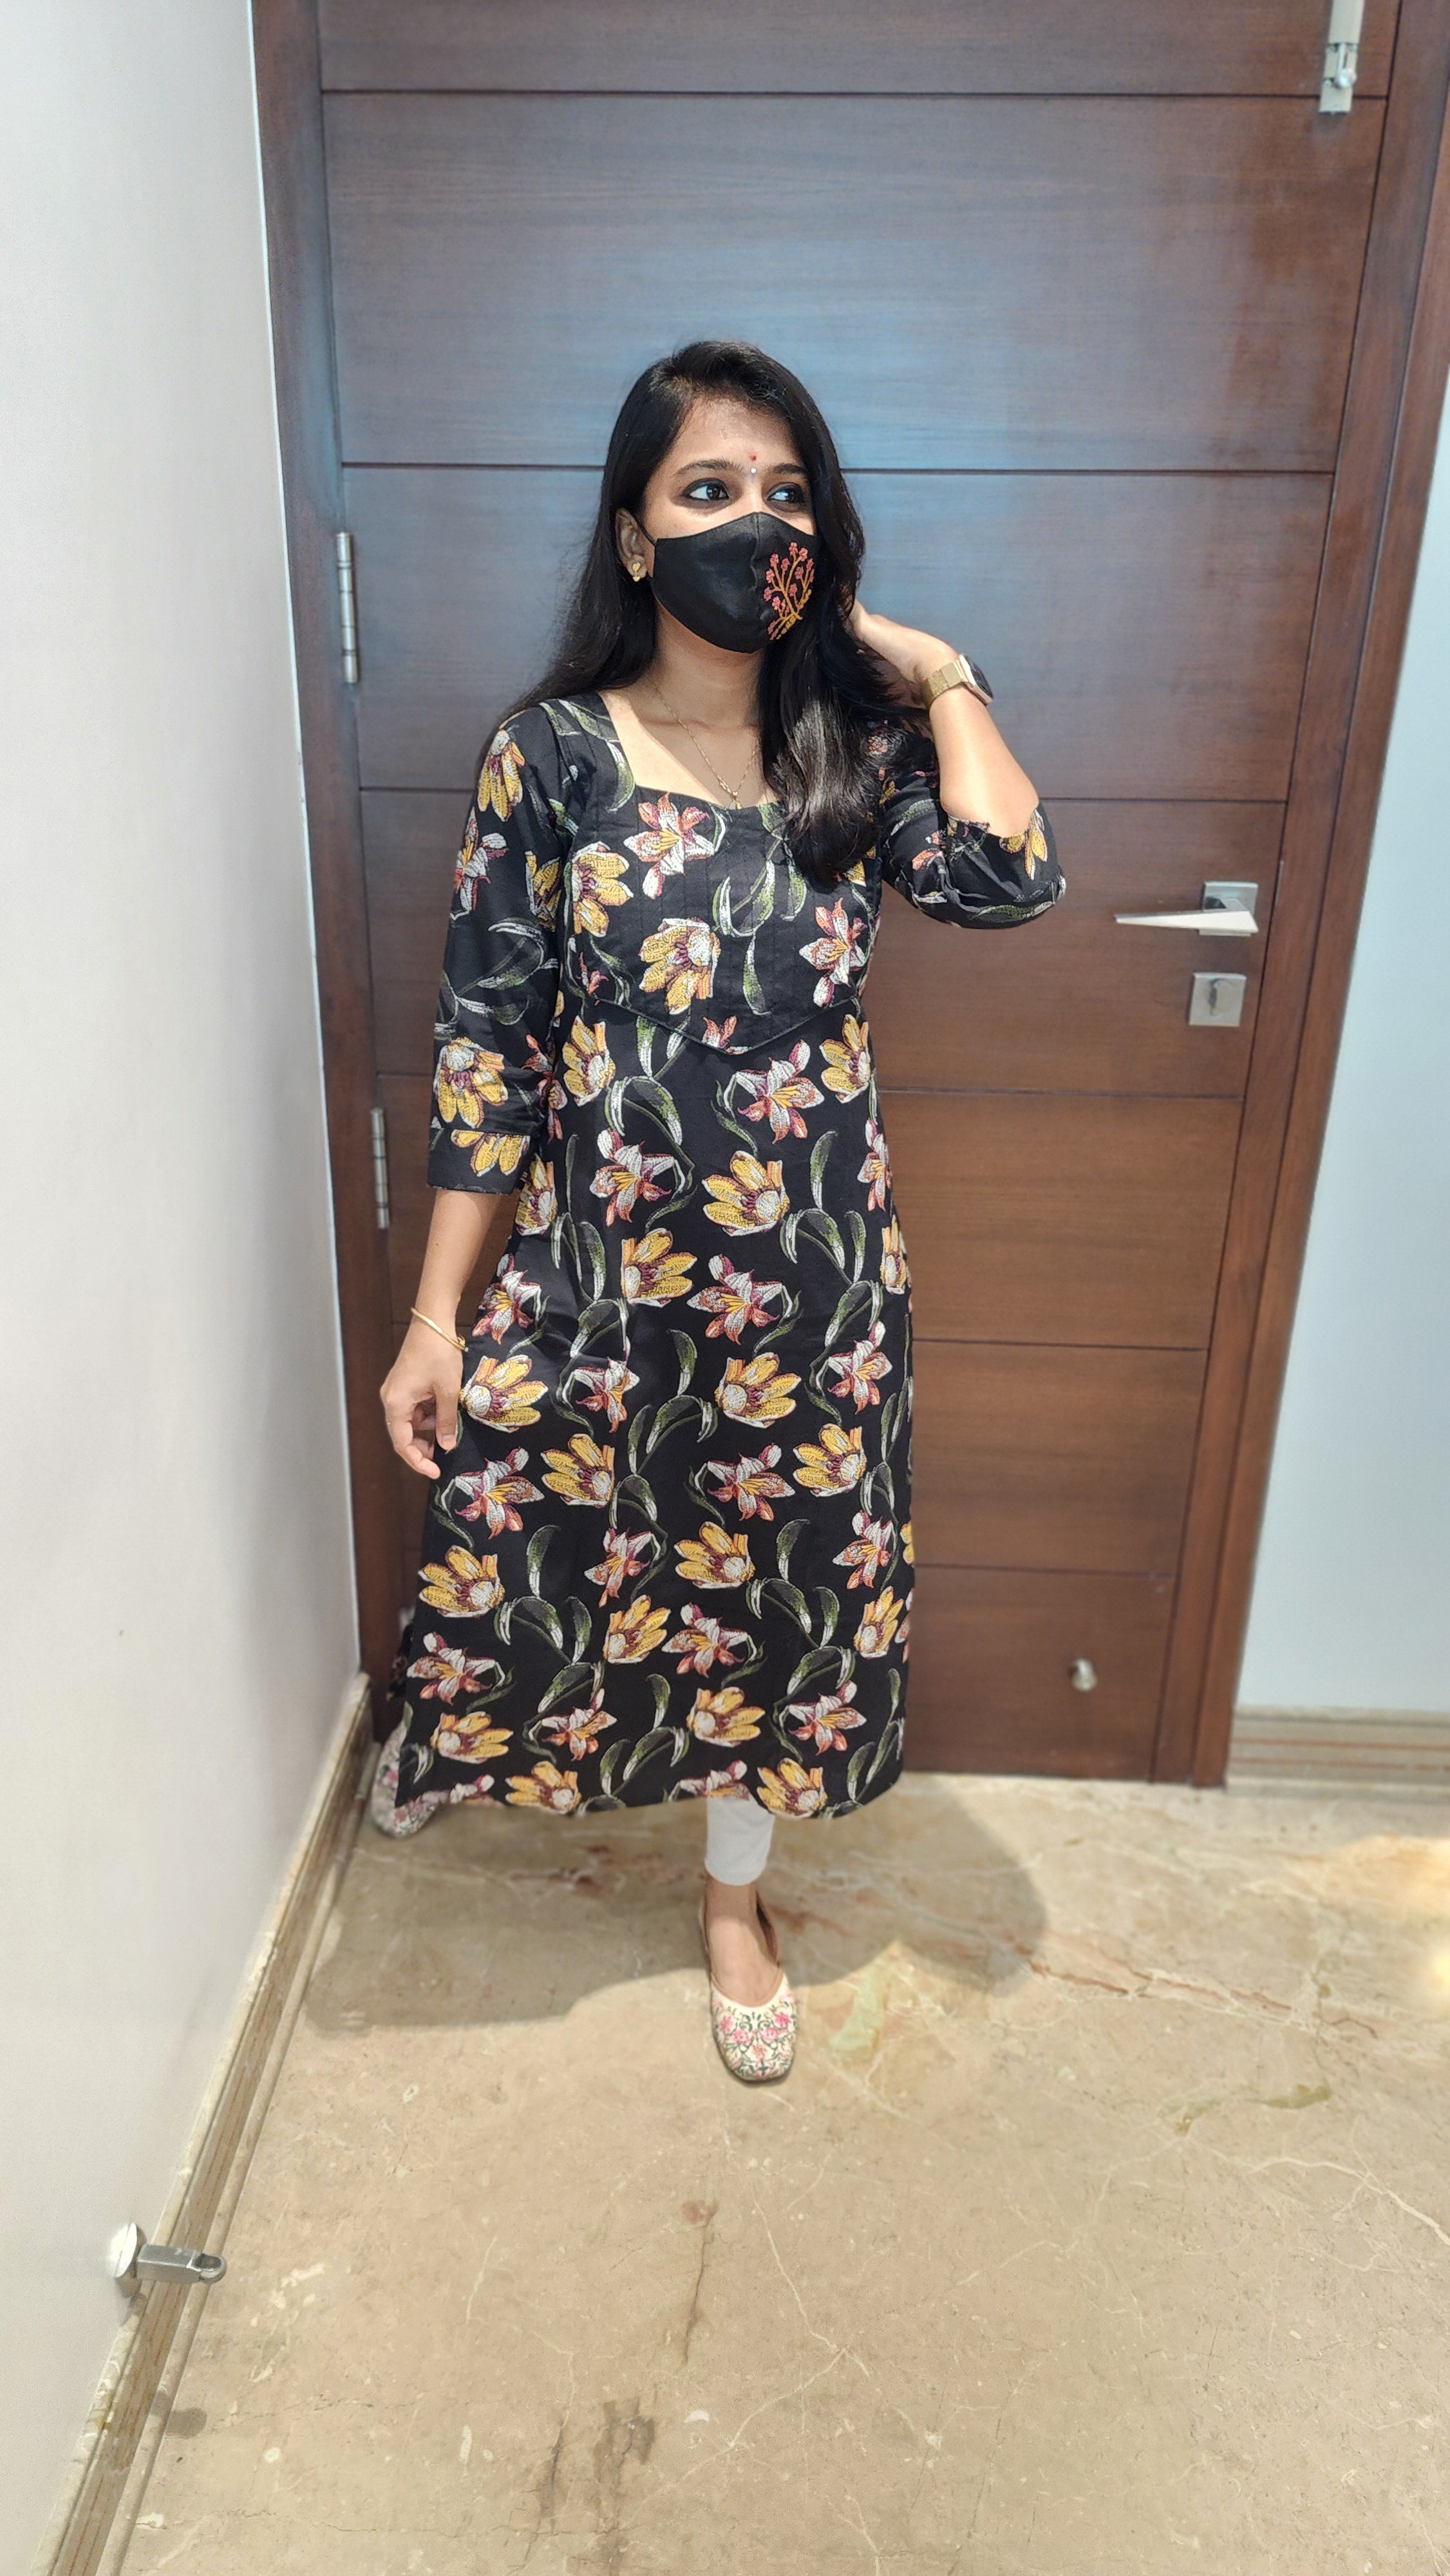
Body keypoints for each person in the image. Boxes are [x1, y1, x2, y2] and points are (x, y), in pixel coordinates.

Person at [374, 339, 1063, 2082]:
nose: (755, 523)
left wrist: (933, 669)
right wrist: (438, 1317)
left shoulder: (856, 756)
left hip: (811, 1300)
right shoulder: (551, 757)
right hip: (601, 1286)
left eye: (784, 493)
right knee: (536, 1547)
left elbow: (1010, 876)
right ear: (633, 535)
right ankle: (462, 1746)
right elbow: (487, 1047)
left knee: (775, 1607)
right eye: (707, 490)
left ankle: (733, 1901)